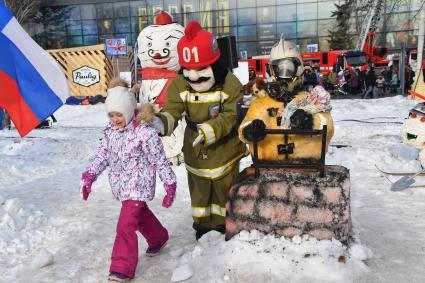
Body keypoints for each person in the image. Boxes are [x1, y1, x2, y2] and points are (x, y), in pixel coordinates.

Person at [153, 21, 247, 240]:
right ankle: (203, 226)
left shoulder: (230, 83)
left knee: (225, 189)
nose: (194, 77)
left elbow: (231, 116)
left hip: (226, 150)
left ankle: (225, 223)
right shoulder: (178, 84)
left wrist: (210, 130)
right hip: (195, 151)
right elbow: (173, 109)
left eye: (201, 70)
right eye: (189, 70)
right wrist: (161, 122)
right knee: (200, 191)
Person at [80, 80, 177, 282]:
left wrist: (169, 184)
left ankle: (122, 268)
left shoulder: (145, 133)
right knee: (139, 215)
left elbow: (159, 159)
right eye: (111, 115)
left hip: (139, 185)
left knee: (125, 226)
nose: (115, 119)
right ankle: (158, 238)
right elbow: (102, 155)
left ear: (129, 110)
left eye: (119, 114)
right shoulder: (110, 133)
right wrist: (89, 176)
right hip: (122, 185)